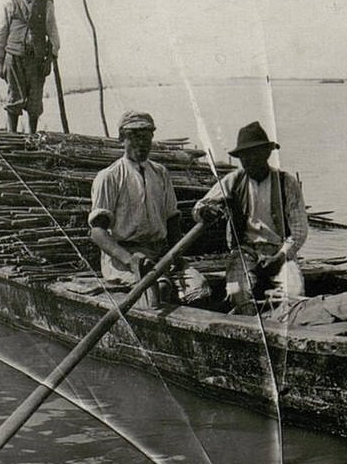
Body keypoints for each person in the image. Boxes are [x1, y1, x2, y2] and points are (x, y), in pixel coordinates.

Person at [88, 110, 207, 304]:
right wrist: (129, 259)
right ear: (121, 138)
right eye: (134, 136)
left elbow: (172, 218)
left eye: (146, 137)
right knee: (158, 289)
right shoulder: (109, 176)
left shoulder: (160, 173)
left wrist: (176, 255)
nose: (141, 143)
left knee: (199, 288)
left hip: (161, 254)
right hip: (124, 257)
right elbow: (97, 232)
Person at [192, 121, 309, 315]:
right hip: (244, 252)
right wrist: (205, 211)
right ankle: (249, 326)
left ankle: (283, 325)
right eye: (243, 156)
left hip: (278, 251)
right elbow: (200, 207)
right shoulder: (234, 180)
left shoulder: (286, 183)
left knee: (295, 292)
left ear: (266, 153)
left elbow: (299, 230)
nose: (247, 161)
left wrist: (280, 256)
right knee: (236, 291)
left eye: (253, 154)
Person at [0, 0, 60, 133]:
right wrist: (0, 61)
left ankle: (31, 137)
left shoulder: (46, 5)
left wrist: (50, 59)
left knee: (35, 100)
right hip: (14, 57)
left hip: (37, 60)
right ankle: (12, 137)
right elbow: (2, 32)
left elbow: (52, 33)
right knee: (14, 97)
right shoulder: (10, 3)